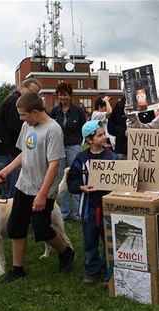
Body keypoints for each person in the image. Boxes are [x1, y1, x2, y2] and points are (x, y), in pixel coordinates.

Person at [0, 91, 75, 283]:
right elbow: (24, 154)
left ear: (36, 112)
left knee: (42, 229)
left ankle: (66, 252)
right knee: (16, 227)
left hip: (42, 189)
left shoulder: (53, 130)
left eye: (23, 114)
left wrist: (42, 195)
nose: (21, 118)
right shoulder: (27, 126)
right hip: (24, 185)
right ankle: (17, 270)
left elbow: (54, 164)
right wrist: (5, 171)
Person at [67, 119, 118, 285]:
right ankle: (91, 272)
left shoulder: (113, 157)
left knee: (108, 240)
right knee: (90, 241)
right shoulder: (81, 159)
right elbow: (72, 180)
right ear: (89, 140)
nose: (104, 137)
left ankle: (106, 273)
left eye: (104, 134)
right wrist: (81, 187)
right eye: (100, 135)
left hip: (108, 206)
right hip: (89, 207)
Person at [0, 78, 42, 199]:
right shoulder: (15, 102)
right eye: (31, 92)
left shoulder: (12, 100)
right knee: (11, 192)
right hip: (6, 152)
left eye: (36, 94)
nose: (33, 96)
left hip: (4, 151)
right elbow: (16, 129)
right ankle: (9, 216)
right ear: (22, 87)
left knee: (10, 189)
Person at [50, 82, 86, 222]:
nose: (62, 97)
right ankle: (65, 213)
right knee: (61, 180)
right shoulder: (54, 111)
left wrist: (81, 142)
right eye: (60, 94)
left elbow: (83, 129)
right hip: (58, 148)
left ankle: (78, 213)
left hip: (74, 147)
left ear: (70, 95)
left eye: (65, 94)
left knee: (76, 177)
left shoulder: (78, 111)